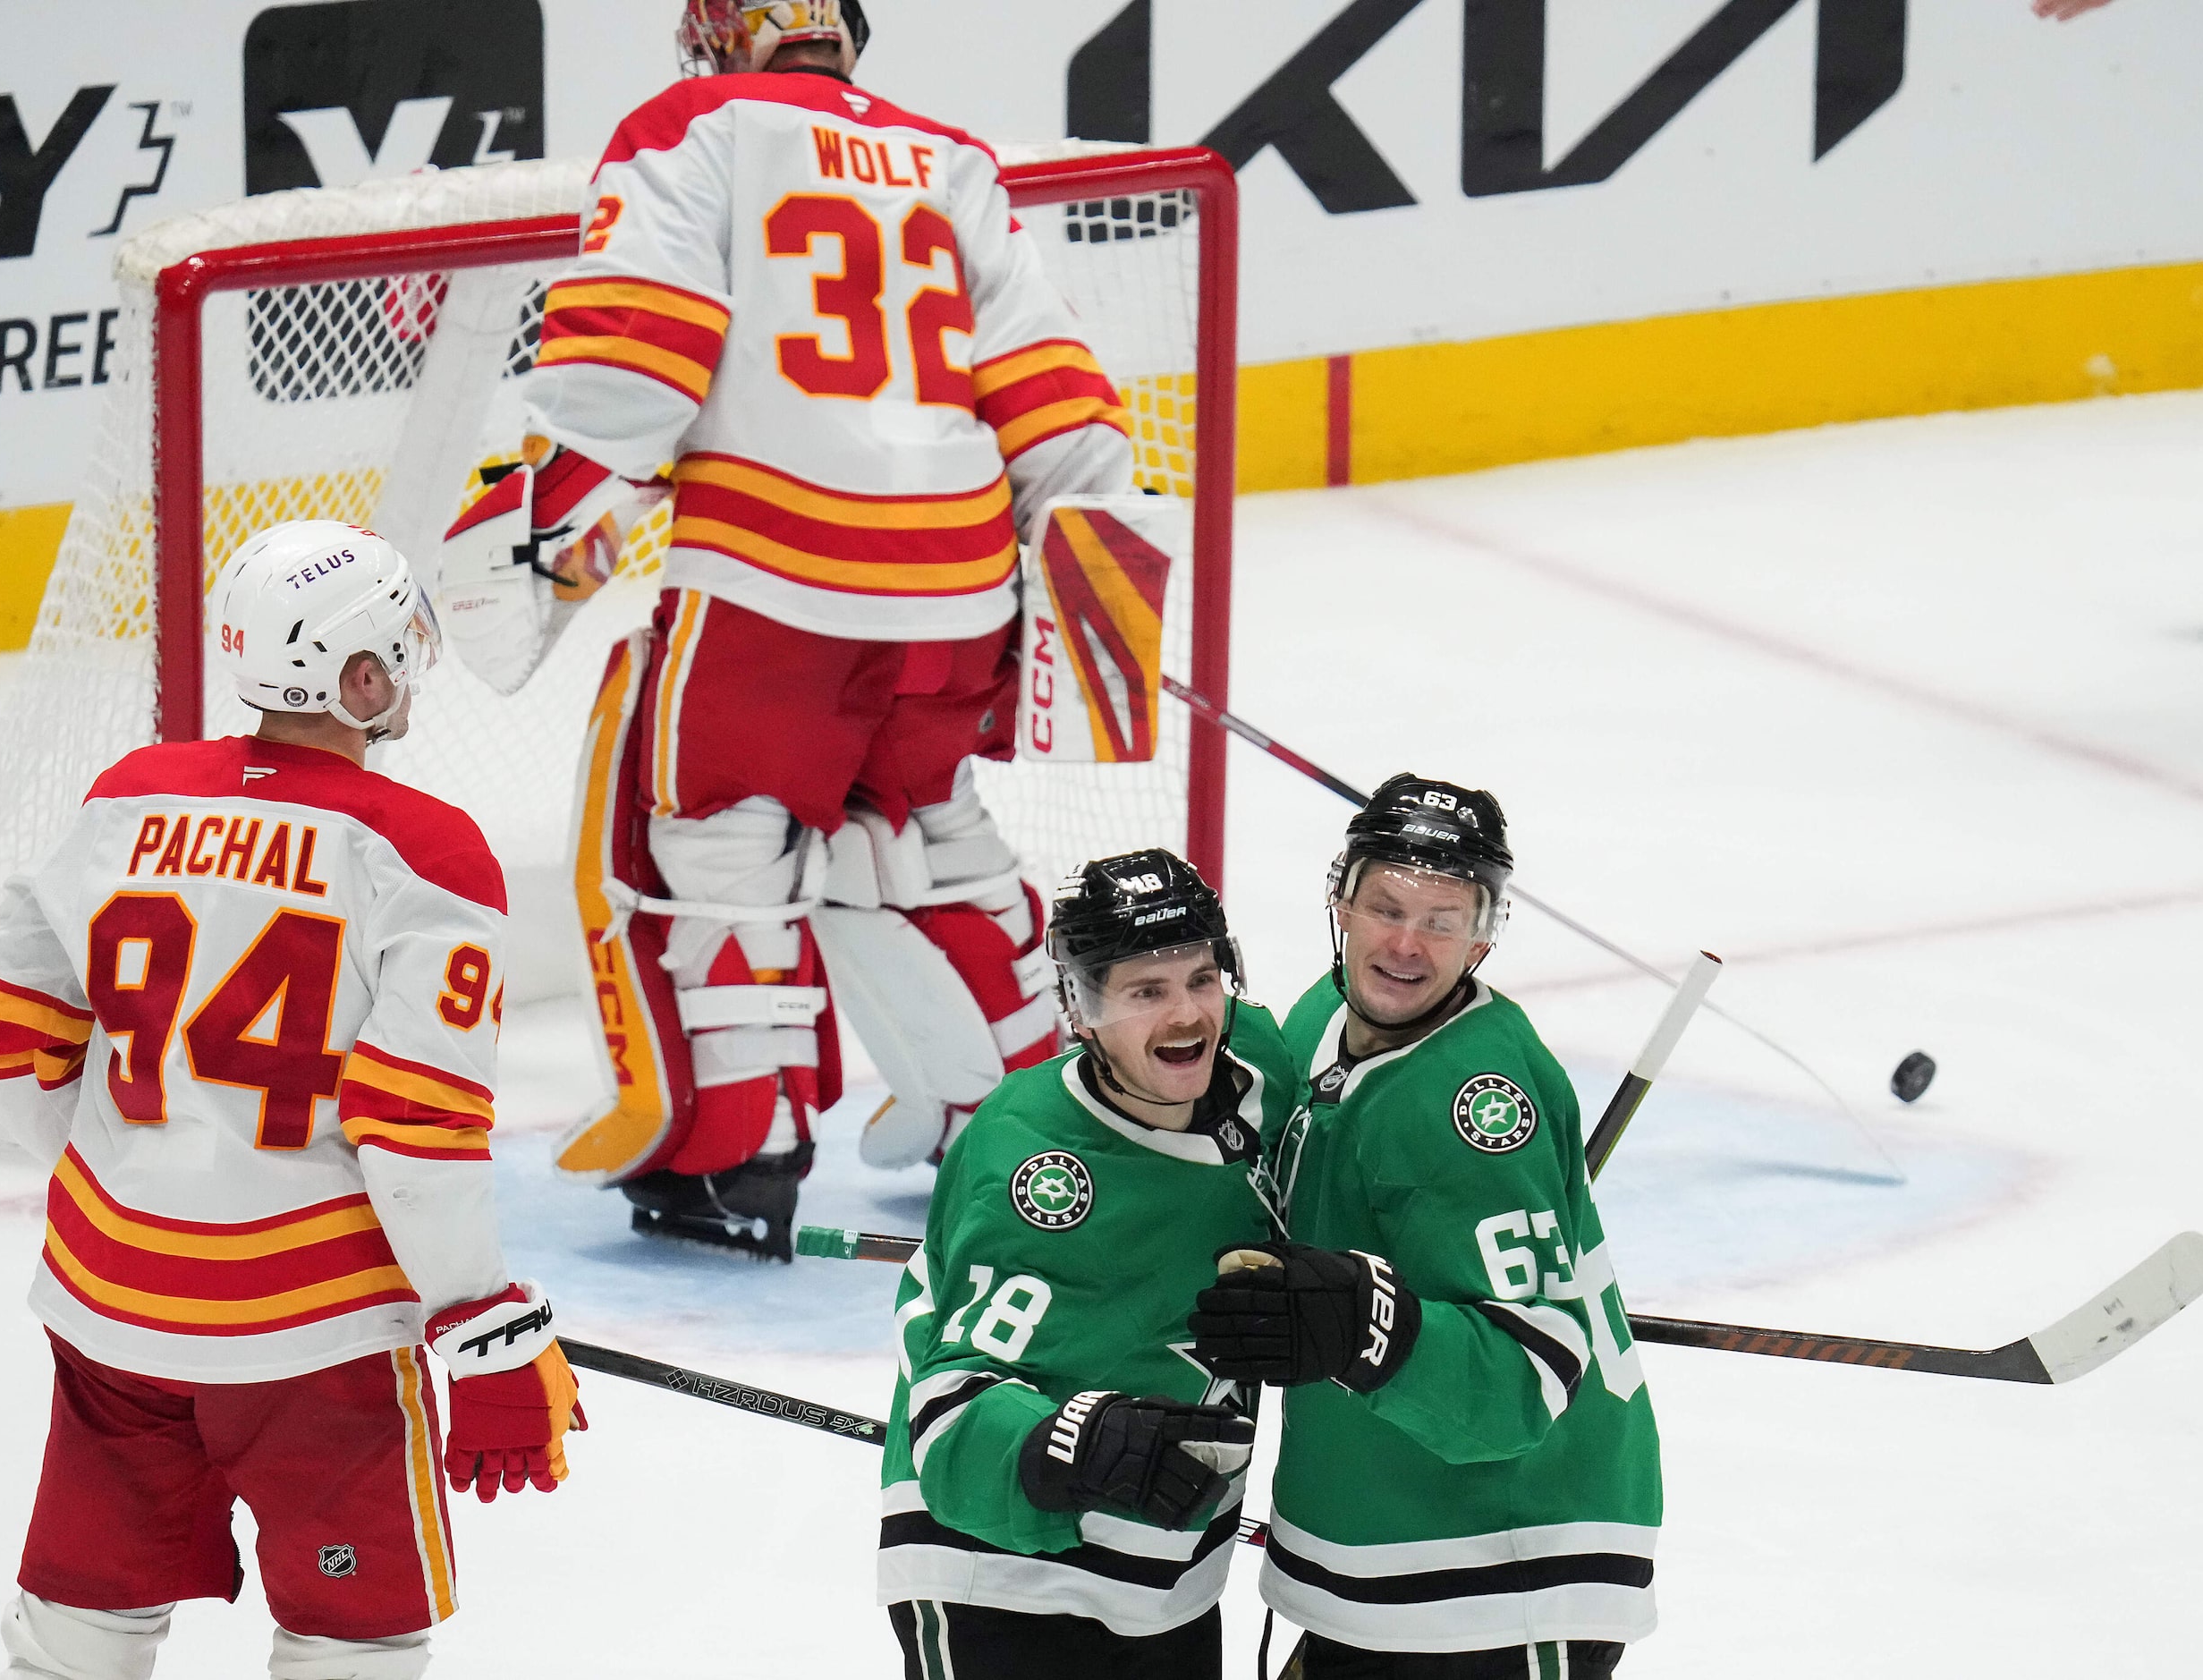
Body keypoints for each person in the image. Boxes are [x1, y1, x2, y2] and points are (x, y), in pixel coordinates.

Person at [438, 0, 1138, 1260]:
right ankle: (1042, 1123)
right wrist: (1097, 591)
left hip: (773, 580)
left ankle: (737, 1157)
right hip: (960, 582)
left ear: (720, 33)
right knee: (935, 841)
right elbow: (1051, 392)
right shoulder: (947, 154)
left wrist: (538, 532)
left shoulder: (689, 123)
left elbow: (636, 366)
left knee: (714, 849)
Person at [0, 521, 582, 1680]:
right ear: (363, 674)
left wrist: (151, 1169)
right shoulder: (426, 852)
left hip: (109, 1307)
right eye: (401, 645)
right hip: (310, 1338)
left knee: (82, 1618)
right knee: (355, 1635)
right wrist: (481, 1326)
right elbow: (415, 1129)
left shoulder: (129, 794)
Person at [1190, 776, 1662, 1680]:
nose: (1407, 945)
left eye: (1444, 920)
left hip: (1504, 1566)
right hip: (1394, 1533)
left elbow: (1527, 1376)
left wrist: (1369, 1324)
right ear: (1342, 902)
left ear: (1486, 934)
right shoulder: (1324, 1014)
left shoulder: (1477, 1106)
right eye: (1387, 907)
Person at [877, 851, 1294, 1680]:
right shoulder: (1030, 1159)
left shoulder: (1261, 1072)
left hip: (1167, 1569)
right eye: (1144, 991)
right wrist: (1068, 1440)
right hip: (998, 1574)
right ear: (1082, 1009)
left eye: (1201, 978)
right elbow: (952, 1418)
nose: (1185, 1015)